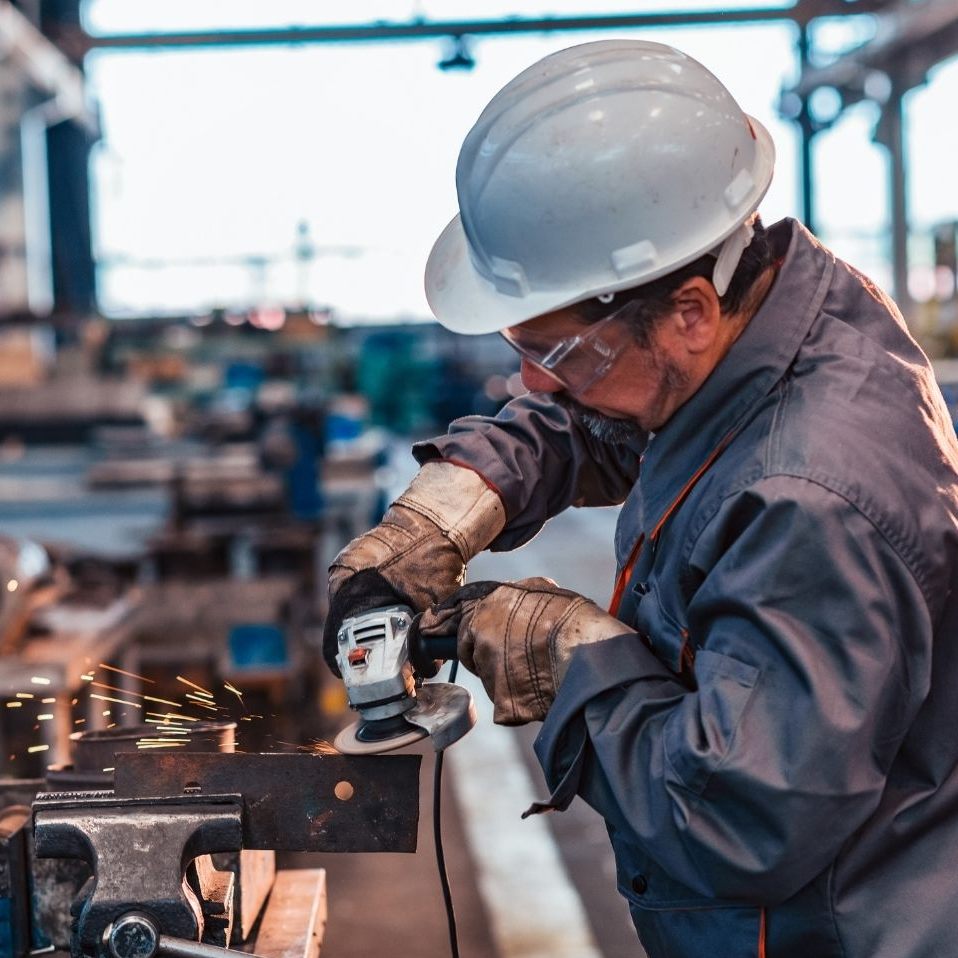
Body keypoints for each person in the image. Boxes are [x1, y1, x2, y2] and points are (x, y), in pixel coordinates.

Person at [325, 39, 958, 958]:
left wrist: (568, 655)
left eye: (556, 354)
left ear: (690, 309)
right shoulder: (775, 315)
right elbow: (611, 414)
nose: (532, 385)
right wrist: (452, 502)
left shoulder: (810, 501)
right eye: (521, 347)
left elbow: (735, 817)